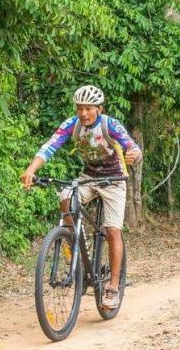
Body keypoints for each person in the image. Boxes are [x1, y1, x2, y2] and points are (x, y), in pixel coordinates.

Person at [20, 85, 141, 310]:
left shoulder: (110, 125)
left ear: (99, 109)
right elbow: (50, 146)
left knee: (112, 231)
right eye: (79, 108)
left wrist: (133, 154)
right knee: (65, 197)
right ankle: (76, 242)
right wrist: (31, 169)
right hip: (89, 177)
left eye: (88, 109)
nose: (83, 113)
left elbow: (131, 146)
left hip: (114, 180)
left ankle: (113, 288)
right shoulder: (71, 125)